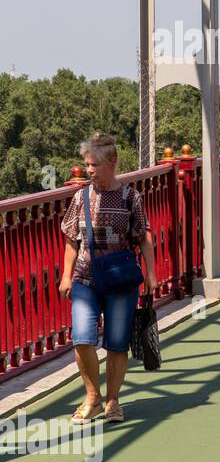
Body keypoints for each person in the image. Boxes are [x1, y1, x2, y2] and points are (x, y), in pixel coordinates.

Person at [58, 133, 158, 424]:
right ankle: (93, 397)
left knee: (116, 343)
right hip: (85, 278)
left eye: (94, 165)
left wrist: (151, 274)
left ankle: (113, 401)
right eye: (86, 164)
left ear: (112, 163)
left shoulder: (130, 197)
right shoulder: (80, 197)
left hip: (120, 281)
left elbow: (143, 237)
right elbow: (71, 240)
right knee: (81, 338)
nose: (88, 170)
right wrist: (66, 276)